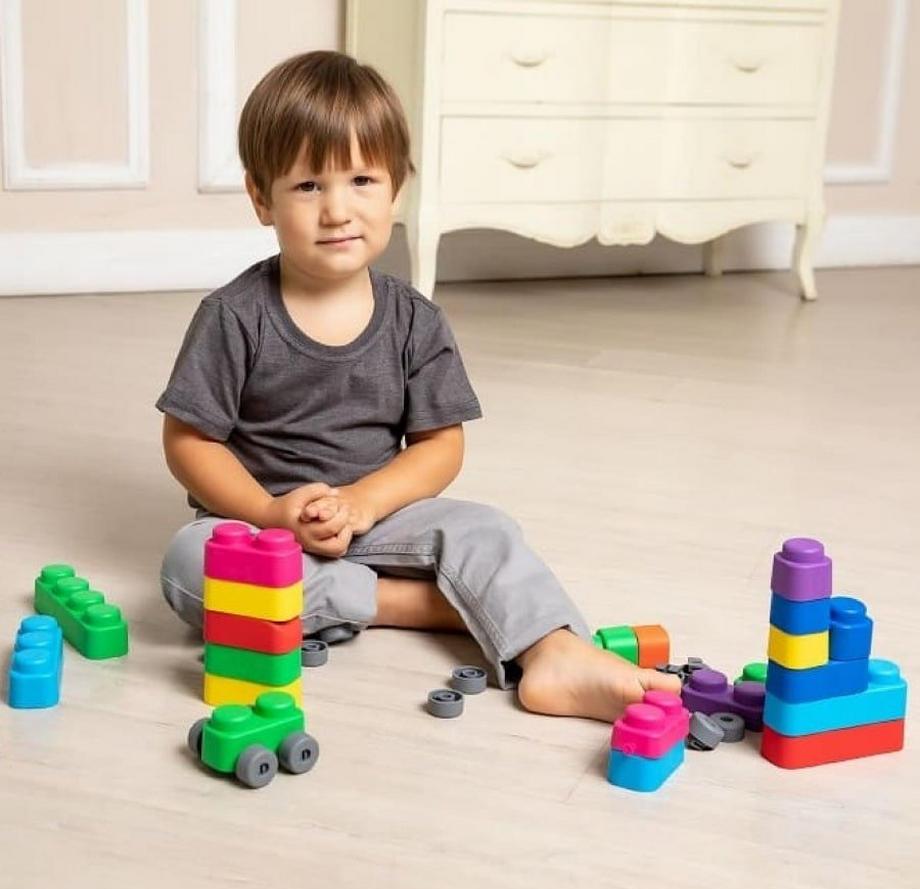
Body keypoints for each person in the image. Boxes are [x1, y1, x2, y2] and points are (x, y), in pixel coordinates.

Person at [156, 50, 679, 722]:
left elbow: (440, 446)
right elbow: (189, 440)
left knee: (488, 529)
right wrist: (268, 513)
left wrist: (366, 502)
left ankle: (552, 652)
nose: (337, 209)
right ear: (262, 198)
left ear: (396, 187)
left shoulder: (414, 319)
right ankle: (418, 605)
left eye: (362, 179)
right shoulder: (233, 316)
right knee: (186, 565)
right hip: (265, 535)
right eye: (309, 186)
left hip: (381, 518)